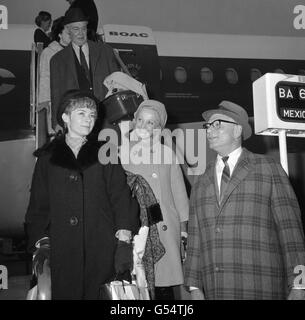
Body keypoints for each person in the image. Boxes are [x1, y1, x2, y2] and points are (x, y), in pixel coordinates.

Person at [184, 100, 305, 300]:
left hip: (261, 287)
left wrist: (300, 286)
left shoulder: (268, 168)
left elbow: (291, 233)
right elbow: (195, 239)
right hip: (216, 291)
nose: (209, 131)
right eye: (208, 126)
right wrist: (194, 288)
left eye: (217, 124)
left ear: (238, 130)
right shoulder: (201, 180)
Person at [25, 90, 139, 299]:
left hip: (102, 248)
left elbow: (120, 196)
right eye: (81, 113)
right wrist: (41, 243)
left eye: (92, 115)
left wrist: (124, 240)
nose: (88, 119)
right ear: (65, 117)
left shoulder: (105, 152)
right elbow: (38, 205)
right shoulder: (47, 158)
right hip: (60, 251)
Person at [121, 99, 189, 299]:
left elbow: (179, 192)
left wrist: (184, 227)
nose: (143, 125)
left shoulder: (168, 153)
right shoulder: (123, 153)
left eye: (150, 122)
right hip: (139, 227)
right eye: (140, 120)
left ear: (159, 127)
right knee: (139, 283)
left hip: (166, 226)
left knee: (164, 284)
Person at [50, 8, 119, 132]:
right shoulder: (57, 60)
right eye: (76, 29)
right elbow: (56, 95)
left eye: (83, 28)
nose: (81, 33)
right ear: (67, 31)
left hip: (105, 120)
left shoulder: (106, 51)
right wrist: (56, 123)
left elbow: (117, 85)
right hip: (75, 123)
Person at [38, 16, 71, 135]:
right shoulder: (49, 52)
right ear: (59, 34)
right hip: (55, 103)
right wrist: (44, 101)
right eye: (68, 32)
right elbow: (45, 78)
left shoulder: (76, 52)